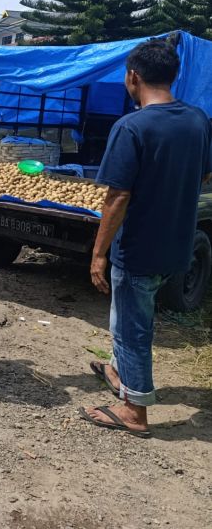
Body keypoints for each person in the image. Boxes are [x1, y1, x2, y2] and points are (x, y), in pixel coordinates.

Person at [80, 39, 212, 437]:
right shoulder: (197, 120)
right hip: (176, 245)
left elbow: (117, 196)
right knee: (127, 316)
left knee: (133, 328)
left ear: (133, 76)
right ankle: (120, 374)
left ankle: (134, 411)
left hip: (138, 247)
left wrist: (98, 254)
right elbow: (204, 176)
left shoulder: (132, 126)